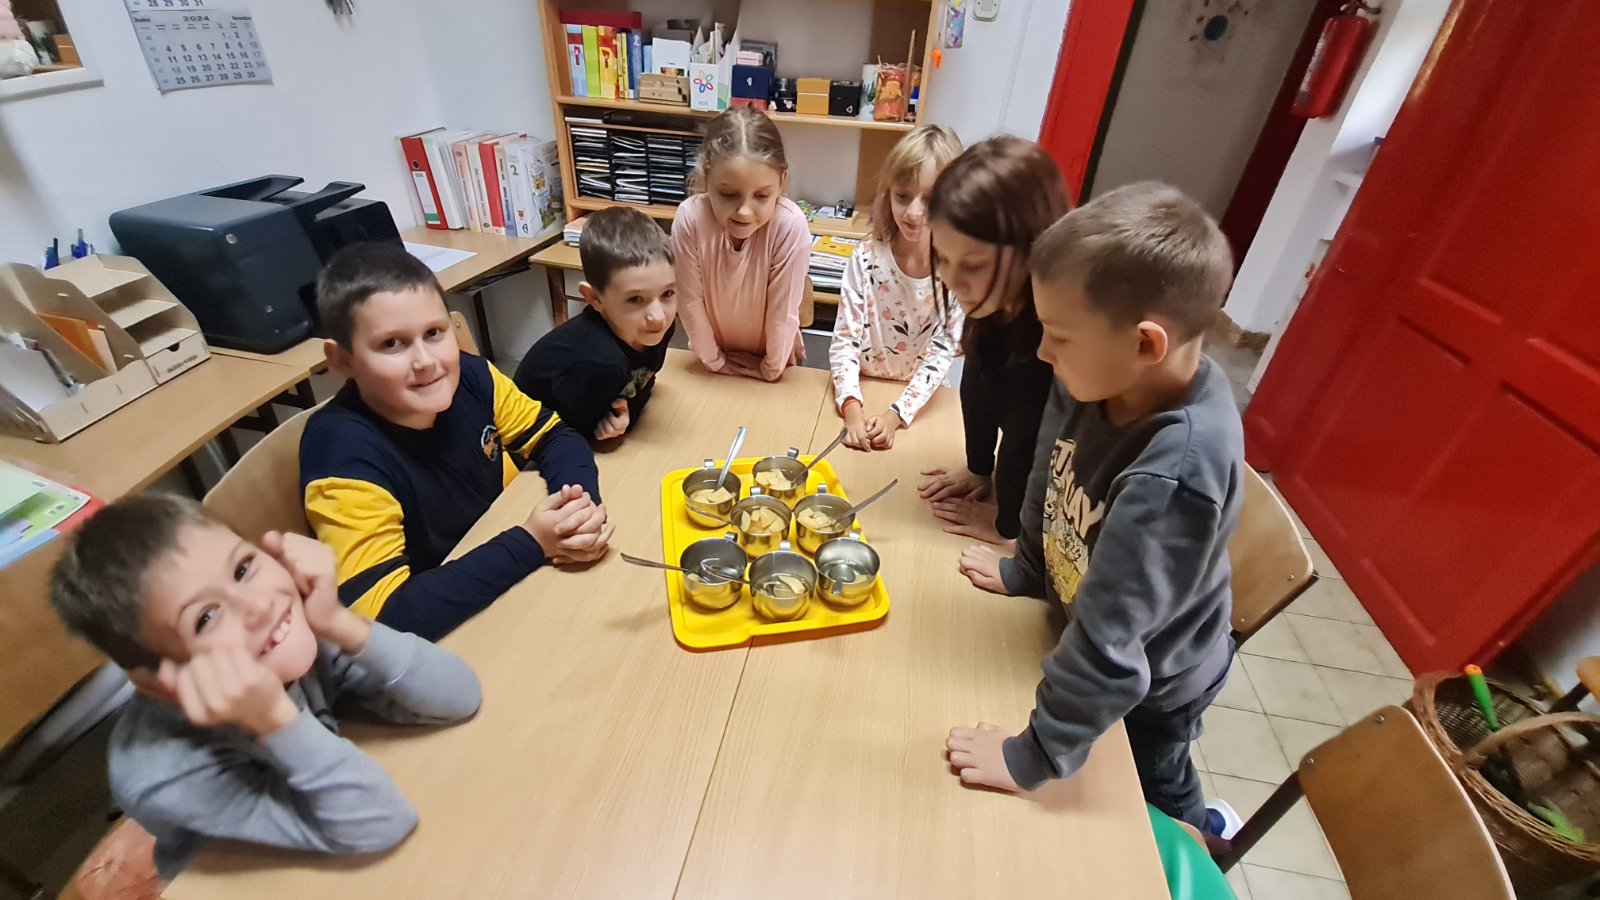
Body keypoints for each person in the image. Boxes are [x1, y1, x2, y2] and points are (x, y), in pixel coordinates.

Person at [945, 182, 1245, 838]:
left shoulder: (1177, 471)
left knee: (1156, 784)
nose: (1042, 352)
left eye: (1058, 336)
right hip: (1091, 622)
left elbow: (1112, 647)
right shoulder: (1096, 376)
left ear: (1145, 344)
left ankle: (1206, 833)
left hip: (1158, 683)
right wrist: (1027, 567)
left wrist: (1031, 756)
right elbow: (1049, 477)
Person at [48, 494, 482, 880]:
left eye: (242, 568)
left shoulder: (294, 634)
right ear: (159, 685)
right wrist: (279, 723)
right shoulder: (166, 773)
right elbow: (383, 822)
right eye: (205, 618)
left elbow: (460, 697)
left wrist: (340, 623)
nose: (258, 605)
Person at [300, 243, 612, 642]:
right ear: (342, 360)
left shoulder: (472, 376)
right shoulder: (341, 455)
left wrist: (577, 512)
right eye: (392, 344)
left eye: (433, 333)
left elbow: (554, 435)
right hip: (449, 630)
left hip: (505, 574)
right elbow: (380, 619)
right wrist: (533, 543)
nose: (426, 362)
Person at [916, 137, 1068, 546]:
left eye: (974, 265)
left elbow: (1030, 438)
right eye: (943, 258)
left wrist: (1008, 528)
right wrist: (978, 468)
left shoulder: (1055, 335)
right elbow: (978, 382)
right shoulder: (995, 301)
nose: (951, 279)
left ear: (1032, 249)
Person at [829, 124, 965, 452]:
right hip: (860, 390)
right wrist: (852, 410)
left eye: (930, 200)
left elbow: (941, 354)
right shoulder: (864, 259)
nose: (914, 212)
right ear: (888, 193)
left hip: (919, 404)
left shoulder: (957, 272)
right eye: (903, 196)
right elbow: (845, 340)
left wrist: (895, 417)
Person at [513, 206, 677, 443]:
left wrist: (628, 410)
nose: (658, 316)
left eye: (667, 293)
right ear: (595, 299)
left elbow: (645, 383)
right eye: (635, 299)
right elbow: (567, 438)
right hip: (529, 440)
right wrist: (615, 424)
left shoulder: (655, 330)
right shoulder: (599, 364)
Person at [672, 106, 811, 381]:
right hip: (712, 359)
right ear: (706, 178)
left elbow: (783, 311)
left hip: (774, 361)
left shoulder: (789, 226)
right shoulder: (690, 218)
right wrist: (714, 360)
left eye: (761, 196)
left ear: (782, 181)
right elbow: (689, 301)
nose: (744, 212)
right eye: (728, 194)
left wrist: (771, 368)